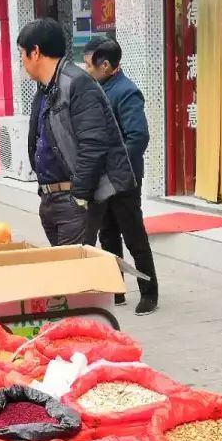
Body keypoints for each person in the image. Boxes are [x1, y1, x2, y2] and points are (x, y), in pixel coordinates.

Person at [17, 19, 156, 315]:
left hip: (102, 185)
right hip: (69, 190)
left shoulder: (86, 86)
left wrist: (80, 193)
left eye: (21, 53)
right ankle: (113, 293)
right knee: (102, 244)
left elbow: (104, 142)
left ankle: (147, 292)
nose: (21, 61)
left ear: (36, 52)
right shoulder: (48, 89)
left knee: (129, 240)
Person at [82, 36, 159, 310]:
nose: (87, 71)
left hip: (123, 180)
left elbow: (138, 138)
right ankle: (116, 289)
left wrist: (112, 166)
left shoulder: (126, 92)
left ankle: (149, 292)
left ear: (105, 65)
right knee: (108, 236)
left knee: (134, 236)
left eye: (89, 66)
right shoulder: (98, 88)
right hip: (102, 181)